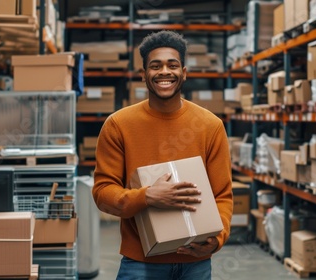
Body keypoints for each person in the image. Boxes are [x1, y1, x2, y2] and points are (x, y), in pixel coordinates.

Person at [92, 30, 233, 280]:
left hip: (196, 263)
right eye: (155, 66)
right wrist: (147, 196)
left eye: (173, 65)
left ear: (184, 72)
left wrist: (218, 238)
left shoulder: (210, 126)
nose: (164, 72)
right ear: (144, 75)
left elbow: (222, 195)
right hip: (141, 263)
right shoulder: (119, 125)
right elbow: (103, 193)